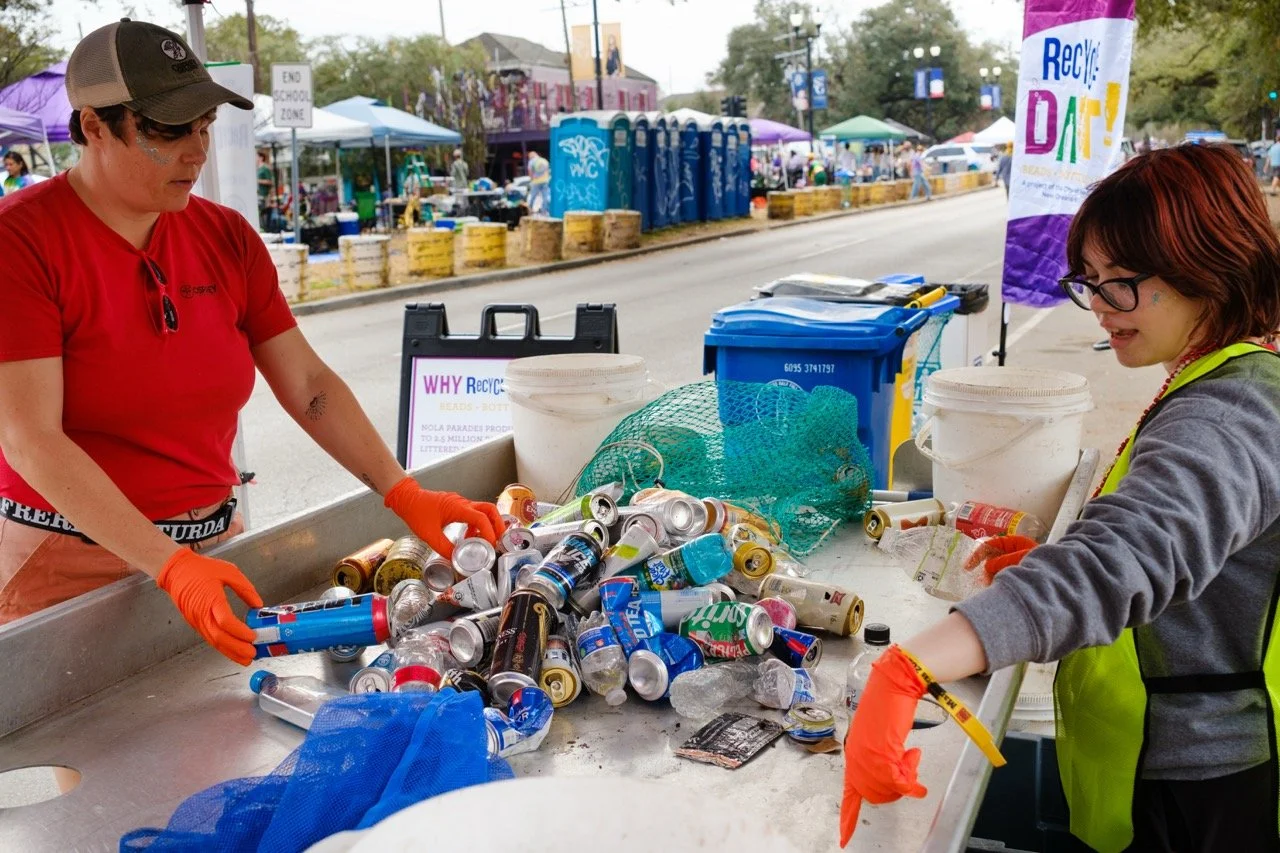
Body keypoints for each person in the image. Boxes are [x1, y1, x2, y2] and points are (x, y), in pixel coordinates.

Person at [0, 20, 504, 664]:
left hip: (211, 550)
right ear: (94, 127)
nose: (197, 150)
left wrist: (402, 490)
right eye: (170, 129)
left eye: (204, 125)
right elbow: (31, 438)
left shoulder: (226, 237)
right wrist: (167, 565)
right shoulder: (23, 242)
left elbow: (309, 385)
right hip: (69, 562)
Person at [840, 143, 1280, 853]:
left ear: (1209, 266)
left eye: (1121, 283)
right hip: (1154, 755)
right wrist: (1052, 556)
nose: (1100, 307)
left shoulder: (1232, 410)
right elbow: (1174, 543)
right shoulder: (1215, 378)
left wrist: (910, 664)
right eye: (1091, 281)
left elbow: (1126, 558)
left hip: (1197, 788)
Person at [527, 149, 550, 213]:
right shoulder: (544, 160)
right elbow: (548, 171)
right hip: (545, 181)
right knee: (545, 197)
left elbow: (530, 172)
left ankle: (529, 209)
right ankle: (544, 210)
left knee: (532, 196)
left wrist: (531, 179)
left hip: (536, 182)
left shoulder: (532, 161)